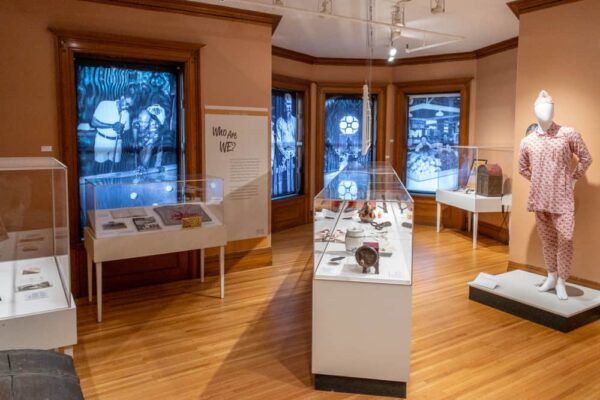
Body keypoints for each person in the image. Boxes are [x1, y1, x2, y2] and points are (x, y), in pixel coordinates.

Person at [91, 94, 133, 174]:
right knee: (100, 166)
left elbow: (126, 131)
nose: (127, 107)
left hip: (117, 142)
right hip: (102, 140)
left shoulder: (126, 114)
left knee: (114, 168)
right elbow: (93, 123)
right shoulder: (105, 104)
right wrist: (112, 125)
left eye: (129, 106)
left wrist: (121, 129)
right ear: (122, 98)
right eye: (126, 103)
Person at [275, 93, 297, 194]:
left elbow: (298, 139)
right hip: (282, 155)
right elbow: (278, 140)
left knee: (293, 179)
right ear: (283, 106)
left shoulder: (295, 121)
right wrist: (284, 153)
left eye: (289, 104)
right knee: (282, 181)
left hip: (293, 155)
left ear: (291, 106)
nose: (287, 107)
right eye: (285, 104)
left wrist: (294, 151)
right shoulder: (279, 121)